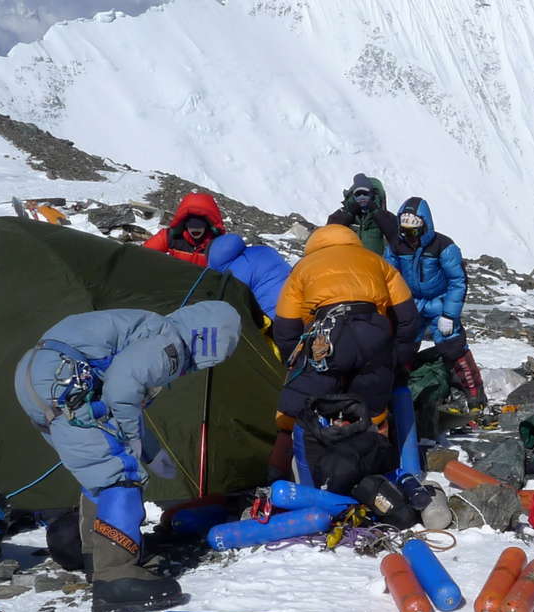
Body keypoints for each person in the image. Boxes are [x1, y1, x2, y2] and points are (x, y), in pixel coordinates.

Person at [15, 302, 242, 612]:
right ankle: (117, 578)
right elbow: (122, 388)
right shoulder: (170, 341)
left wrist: (150, 452)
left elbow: (121, 403)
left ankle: (97, 557)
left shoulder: (152, 330)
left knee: (99, 468)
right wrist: (134, 444)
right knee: (119, 474)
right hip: (64, 378)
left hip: (38, 376)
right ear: (212, 340)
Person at [268, 225, 420, 482]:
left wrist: (294, 363)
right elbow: (408, 318)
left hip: (326, 336)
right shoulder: (376, 261)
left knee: (294, 411)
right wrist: (396, 358)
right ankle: (382, 480)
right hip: (374, 332)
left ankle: (276, 475)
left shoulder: (304, 267)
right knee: (373, 413)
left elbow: (285, 327)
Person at [386, 197, 485, 407]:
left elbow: (457, 281)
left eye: (413, 231)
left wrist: (449, 315)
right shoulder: (396, 246)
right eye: (404, 231)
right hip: (410, 303)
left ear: (425, 226)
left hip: (440, 303)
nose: (408, 237)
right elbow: (388, 276)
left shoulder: (443, 246)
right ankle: (403, 393)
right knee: (402, 346)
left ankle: (475, 397)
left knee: (453, 346)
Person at [206, 233, 292, 325]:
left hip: (275, 319)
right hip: (298, 306)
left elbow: (232, 306)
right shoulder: (264, 250)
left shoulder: (232, 273)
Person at [143, 192, 226, 266]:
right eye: (191, 225)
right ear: (184, 224)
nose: (195, 230)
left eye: (200, 225)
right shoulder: (170, 237)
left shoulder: (218, 244)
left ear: (208, 225)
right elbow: (142, 254)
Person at [326, 173, 398, 255]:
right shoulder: (344, 213)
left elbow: (395, 233)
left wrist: (376, 212)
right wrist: (349, 213)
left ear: (372, 195)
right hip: (349, 263)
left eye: (365, 193)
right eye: (358, 194)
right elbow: (329, 231)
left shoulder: (382, 215)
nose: (362, 197)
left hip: (374, 264)